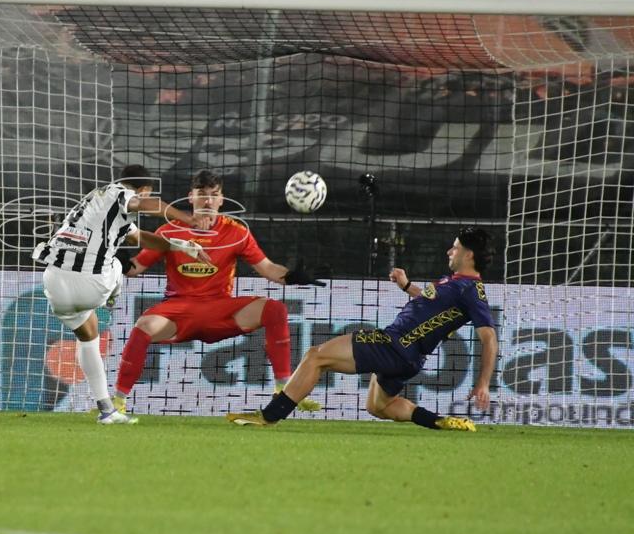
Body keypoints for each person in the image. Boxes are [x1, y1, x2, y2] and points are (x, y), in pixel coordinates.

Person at [227, 227, 498, 432]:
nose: (449, 252)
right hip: (408, 356)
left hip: (395, 344)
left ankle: (269, 416)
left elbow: (489, 338)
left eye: (455, 248)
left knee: (316, 356)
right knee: (379, 406)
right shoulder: (454, 283)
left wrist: (483, 383)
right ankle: (440, 422)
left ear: (468, 254)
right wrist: (406, 286)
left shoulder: (472, 291)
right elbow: (431, 303)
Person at [111, 169, 327, 413]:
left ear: (222, 200)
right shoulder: (169, 231)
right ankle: (117, 403)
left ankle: (283, 391)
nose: (208, 201)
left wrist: (291, 276)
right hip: (178, 310)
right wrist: (120, 261)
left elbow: (267, 268)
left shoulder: (236, 232)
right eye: (202, 194)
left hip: (220, 311)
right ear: (190, 197)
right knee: (143, 327)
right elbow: (135, 268)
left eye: (214, 195)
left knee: (275, 309)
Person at [34, 164, 212, 424]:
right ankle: (112, 295)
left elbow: (140, 238)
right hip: (91, 284)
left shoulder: (97, 202)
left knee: (89, 336)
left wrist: (181, 245)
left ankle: (106, 410)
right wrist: (189, 220)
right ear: (145, 188)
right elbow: (147, 204)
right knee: (118, 264)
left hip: (54, 282)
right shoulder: (121, 194)